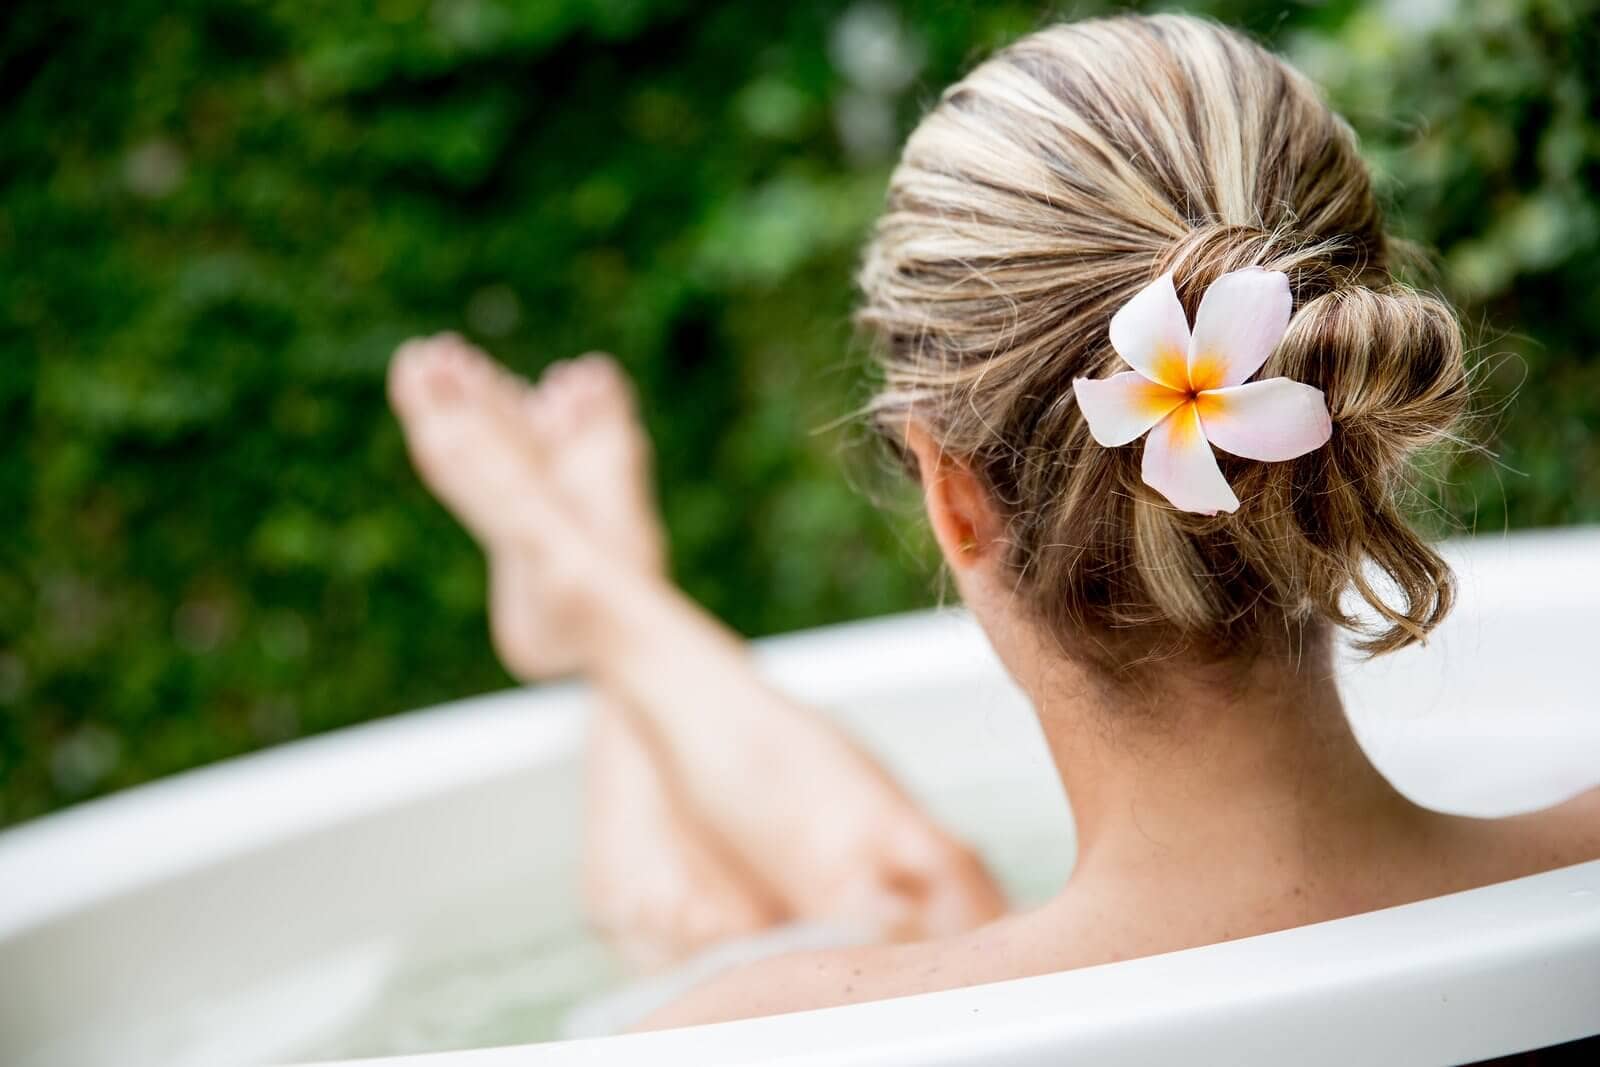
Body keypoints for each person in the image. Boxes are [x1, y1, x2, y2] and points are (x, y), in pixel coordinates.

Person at [387, 13, 1600, 1030]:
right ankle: (604, 600)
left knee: (901, 908)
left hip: (930, 967)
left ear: (952, 497)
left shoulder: (754, 1035)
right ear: (1348, 405)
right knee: (926, 906)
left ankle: (601, 596)